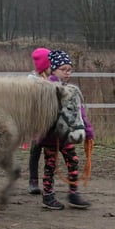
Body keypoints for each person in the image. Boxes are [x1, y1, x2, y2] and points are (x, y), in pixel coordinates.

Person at [35, 49, 94, 210]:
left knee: (73, 161)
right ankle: (48, 196)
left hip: (67, 136)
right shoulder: (47, 89)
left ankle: (73, 193)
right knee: (50, 165)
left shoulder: (71, 91)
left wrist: (88, 131)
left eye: (70, 70)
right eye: (64, 70)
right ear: (53, 69)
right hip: (50, 137)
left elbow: (79, 113)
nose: (67, 73)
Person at [27, 47, 52, 196]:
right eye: (50, 65)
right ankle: (33, 180)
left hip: (49, 123)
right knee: (35, 151)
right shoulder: (32, 83)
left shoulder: (53, 80)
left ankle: (48, 181)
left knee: (50, 153)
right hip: (36, 123)